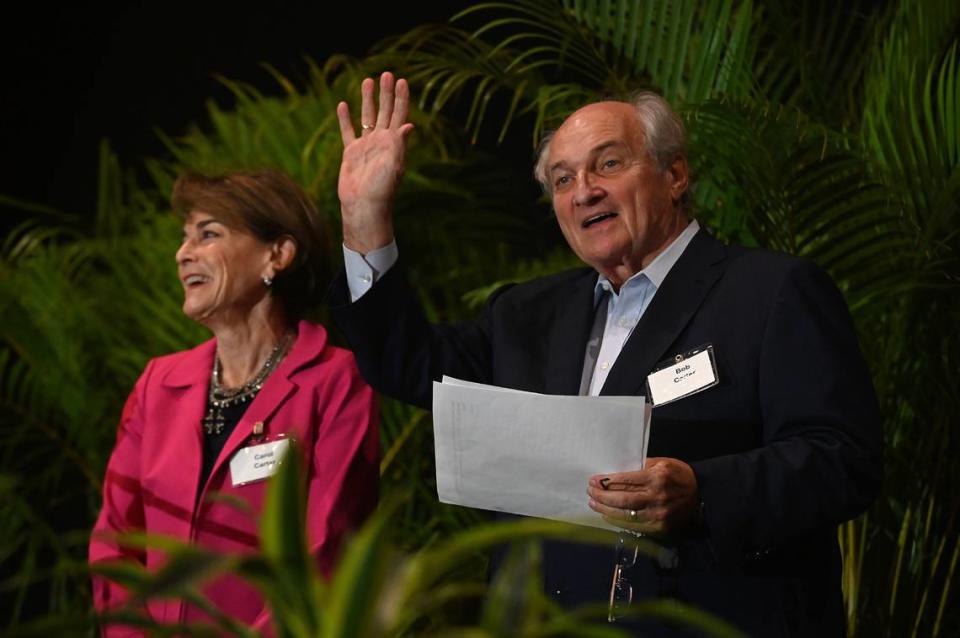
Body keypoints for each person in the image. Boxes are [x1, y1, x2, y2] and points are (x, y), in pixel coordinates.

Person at [328, 73, 882, 636]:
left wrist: (703, 491)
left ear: (675, 174)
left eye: (609, 164)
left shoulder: (770, 292)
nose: (584, 190)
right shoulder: (526, 313)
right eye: (563, 179)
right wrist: (364, 219)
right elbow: (406, 362)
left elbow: (842, 459)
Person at [89, 169, 379, 636]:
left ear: (277, 254)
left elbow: (327, 554)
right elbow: (116, 542)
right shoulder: (157, 384)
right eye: (185, 239)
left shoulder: (335, 381)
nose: (184, 254)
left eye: (208, 235)